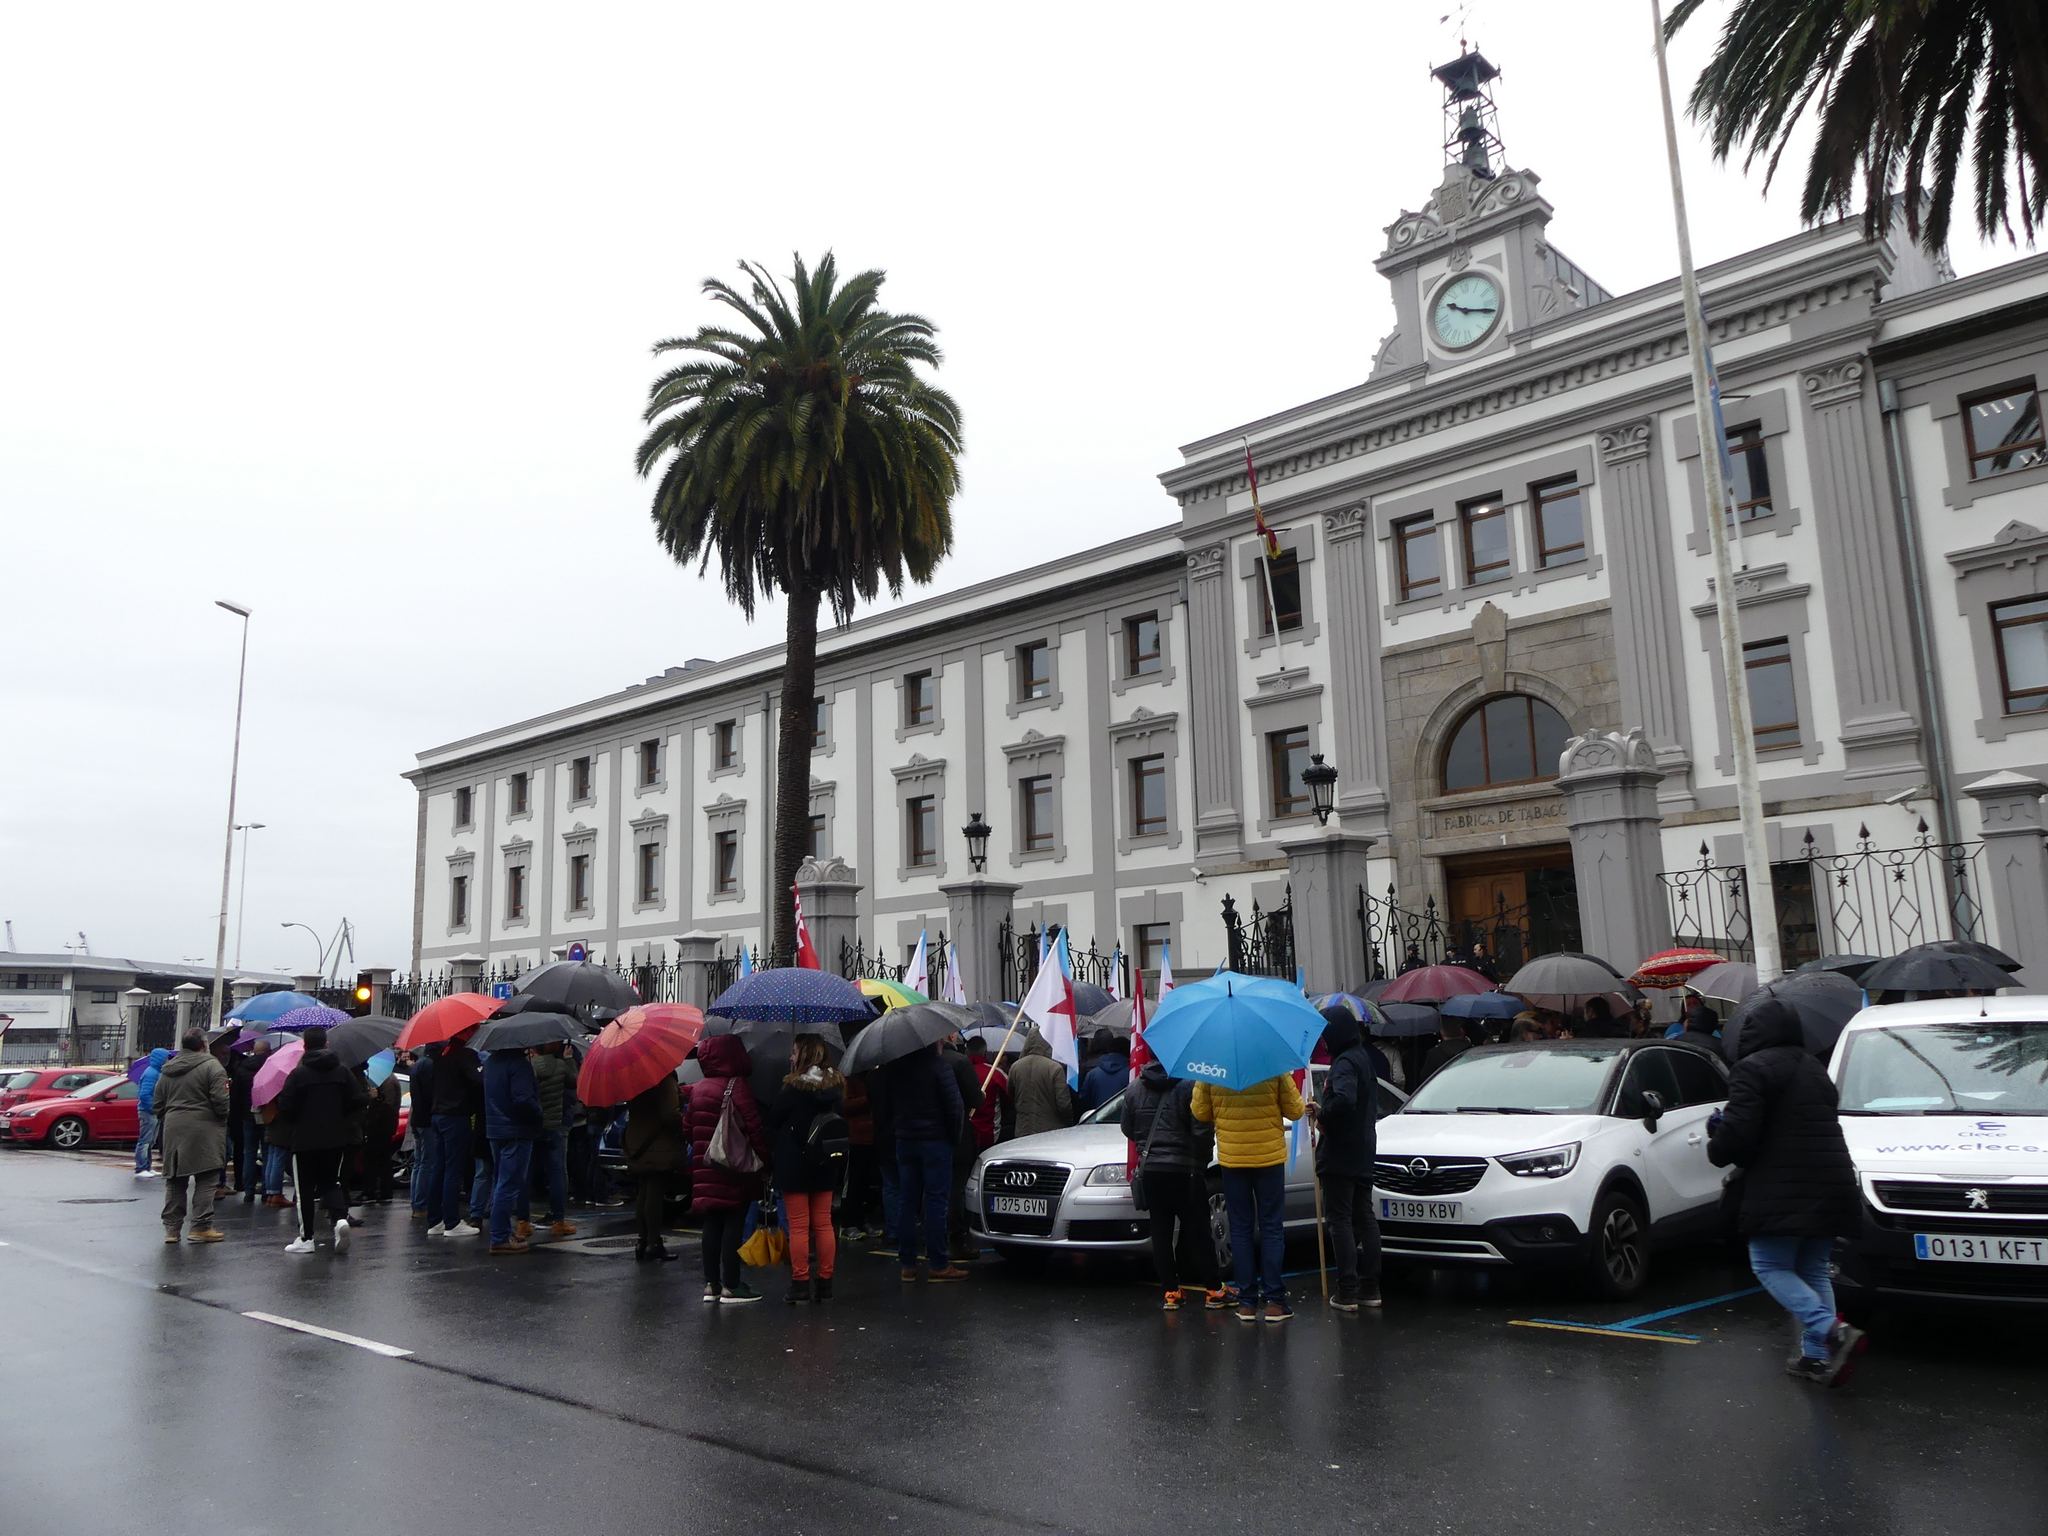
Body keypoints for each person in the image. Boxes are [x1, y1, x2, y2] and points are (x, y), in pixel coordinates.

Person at [1707, 996, 1865, 1387]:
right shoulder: (1814, 1069)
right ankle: (1817, 1357)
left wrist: (1718, 1135)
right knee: (1813, 1269)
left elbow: (1740, 1138)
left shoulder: (1751, 1069)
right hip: (1831, 1182)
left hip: (1783, 1186)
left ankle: (1832, 1331)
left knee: (1770, 1265)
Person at [1192, 1067, 1304, 1323]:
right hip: (1269, 1158)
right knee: (1271, 1227)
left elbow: (1199, 1111)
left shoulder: (1212, 1067)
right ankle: (1274, 1302)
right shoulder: (1272, 1065)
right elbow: (1295, 1110)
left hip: (1233, 1160)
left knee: (1240, 1229)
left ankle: (1247, 1303)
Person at [1121, 1057, 1223, 1310]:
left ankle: (1170, 1291)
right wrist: (1201, 1159)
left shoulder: (1134, 1088)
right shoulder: (1190, 1085)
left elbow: (1127, 1128)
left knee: (1161, 1231)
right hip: (1185, 1169)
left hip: (1151, 1169)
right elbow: (1201, 1129)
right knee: (1199, 1231)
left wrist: (1147, 1145)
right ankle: (1213, 1290)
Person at [685, 1033, 769, 1303]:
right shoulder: (737, 1086)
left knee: (711, 1223)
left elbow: (687, 1128)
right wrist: (765, 1161)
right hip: (733, 1166)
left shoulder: (698, 1088)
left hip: (705, 1165)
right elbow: (754, 1127)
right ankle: (732, 1284)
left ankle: (711, 1284)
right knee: (733, 1222)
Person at [273, 1027, 370, 1256]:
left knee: (304, 1190)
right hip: (335, 1138)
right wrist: (343, 1119)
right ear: (326, 1044)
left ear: (305, 1046)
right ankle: (340, 1219)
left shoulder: (298, 1075)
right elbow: (358, 1100)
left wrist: (296, 1121)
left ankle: (306, 1237)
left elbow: (285, 1107)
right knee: (331, 1182)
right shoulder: (342, 1071)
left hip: (304, 1139)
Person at [1311, 1012, 1381, 1311]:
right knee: (1364, 1216)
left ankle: (1348, 1290)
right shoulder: (1362, 1058)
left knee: (1340, 1219)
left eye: (1326, 1035)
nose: (1324, 1042)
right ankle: (1370, 1287)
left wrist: (1323, 1114)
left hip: (1340, 1151)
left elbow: (1343, 1099)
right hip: (1363, 1148)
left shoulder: (1343, 1063)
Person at [883, 1041, 969, 1283]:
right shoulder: (939, 1067)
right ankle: (938, 1262)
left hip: (905, 1140)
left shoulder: (896, 1068)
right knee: (935, 1201)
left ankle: (907, 1263)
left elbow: (888, 1105)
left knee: (907, 1200)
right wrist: (953, 1137)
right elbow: (954, 1107)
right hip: (935, 1141)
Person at [770, 1035, 845, 1304]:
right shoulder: (835, 1086)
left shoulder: (792, 1089)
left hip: (795, 1164)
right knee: (824, 1223)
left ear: (803, 1055)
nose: (791, 1056)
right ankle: (826, 1283)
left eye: (794, 1052)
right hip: (825, 1161)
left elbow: (774, 1119)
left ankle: (800, 1284)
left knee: (799, 1227)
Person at [154, 1030, 230, 1244]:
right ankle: (201, 1226)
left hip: (173, 1128)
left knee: (175, 1179)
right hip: (205, 1128)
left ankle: (172, 1229)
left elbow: (157, 1103)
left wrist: (170, 1115)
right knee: (207, 1177)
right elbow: (221, 1101)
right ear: (204, 1045)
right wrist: (221, 1117)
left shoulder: (168, 1070)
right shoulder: (213, 1066)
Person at [483, 1043, 543, 1255]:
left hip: (495, 1128)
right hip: (516, 1129)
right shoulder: (519, 1065)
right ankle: (500, 1237)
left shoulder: (490, 1062)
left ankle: (503, 1231)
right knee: (509, 1184)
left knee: (500, 1181)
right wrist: (539, 1113)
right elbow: (523, 1099)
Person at [622, 1070, 685, 1262]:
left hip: (638, 1142)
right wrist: (683, 1120)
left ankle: (642, 1241)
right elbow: (670, 1115)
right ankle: (654, 1243)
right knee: (655, 1193)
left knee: (643, 1191)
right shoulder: (663, 1078)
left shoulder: (634, 1077)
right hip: (658, 1143)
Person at [430, 1034, 483, 1238]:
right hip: (456, 1116)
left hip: (438, 1114)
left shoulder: (440, 1055)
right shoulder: (466, 1055)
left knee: (439, 1168)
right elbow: (479, 1081)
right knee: (454, 1169)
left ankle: (435, 1220)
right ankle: (452, 1222)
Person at [531, 1041, 578, 1238]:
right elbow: (574, 1081)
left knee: (527, 1172)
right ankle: (559, 1219)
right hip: (556, 1124)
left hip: (534, 1126)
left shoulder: (530, 1067)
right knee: (557, 1172)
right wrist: (569, 1060)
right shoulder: (560, 1066)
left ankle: (523, 1221)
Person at [942, 1038, 984, 1261]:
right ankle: (955, 1239)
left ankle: (932, 1241)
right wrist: (980, 1096)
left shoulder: (918, 1063)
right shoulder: (959, 1062)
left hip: (926, 1137)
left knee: (931, 1190)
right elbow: (975, 1098)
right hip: (957, 1133)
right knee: (956, 1188)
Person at [839, 1071, 881, 1241]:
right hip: (854, 1137)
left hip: (870, 1136)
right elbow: (844, 1106)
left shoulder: (870, 1079)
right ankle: (847, 1223)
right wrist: (868, 1099)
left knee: (864, 1182)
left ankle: (861, 1220)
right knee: (852, 1183)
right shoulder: (848, 1081)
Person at [1008, 1032, 1073, 1138]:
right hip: (1050, 1131)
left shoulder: (1015, 1067)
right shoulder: (1055, 1068)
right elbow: (1063, 1105)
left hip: (1023, 1129)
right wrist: (1069, 1122)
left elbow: (1011, 1095)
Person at [228, 1041, 265, 1202]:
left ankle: (248, 1189)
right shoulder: (269, 1067)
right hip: (265, 1114)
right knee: (268, 1153)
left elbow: (235, 1096)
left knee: (248, 1153)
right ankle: (267, 1190)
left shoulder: (242, 1069)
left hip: (246, 1116)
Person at [409, 1044, 440, 1219]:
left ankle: (416, 1203)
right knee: (427, 1163)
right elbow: (430, 1094)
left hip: (417, 1119)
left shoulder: (418, 1065)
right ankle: (421, 1204)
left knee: (419, 1163)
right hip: (427, 1119)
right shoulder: (429, 1065)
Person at [964, 1038, 1010, 1150]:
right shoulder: (995, 1074)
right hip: (989, 1134)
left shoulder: (957, 1070)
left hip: (963, 1134)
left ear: (966, 1051)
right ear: (985, 1051)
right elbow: (1009, 1097)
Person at [134, 1047, 170, 1177]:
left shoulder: (156, 1072)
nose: (168, 1060)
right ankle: (141, 1168)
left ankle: (146, 1167)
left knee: (149, 1141)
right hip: (148, 1112)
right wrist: (154, 1109)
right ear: (161, 1059)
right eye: (166, 1058)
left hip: (152, 1111)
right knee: (145, 1141)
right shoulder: (151, 1073)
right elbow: (144, 1094)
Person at [1077, 1030, 1129, 1113]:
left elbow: (1083, 1100)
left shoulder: (1091, 1073)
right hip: (1121, 1119)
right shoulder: (1132, 1075)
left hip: (1095, 1117)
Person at [1419, 1018, 1472, 1083]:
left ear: (1442, 1032)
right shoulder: (1474, 1051)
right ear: (1462, 1031)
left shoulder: (1433, 1054)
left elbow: (1425, 1078)